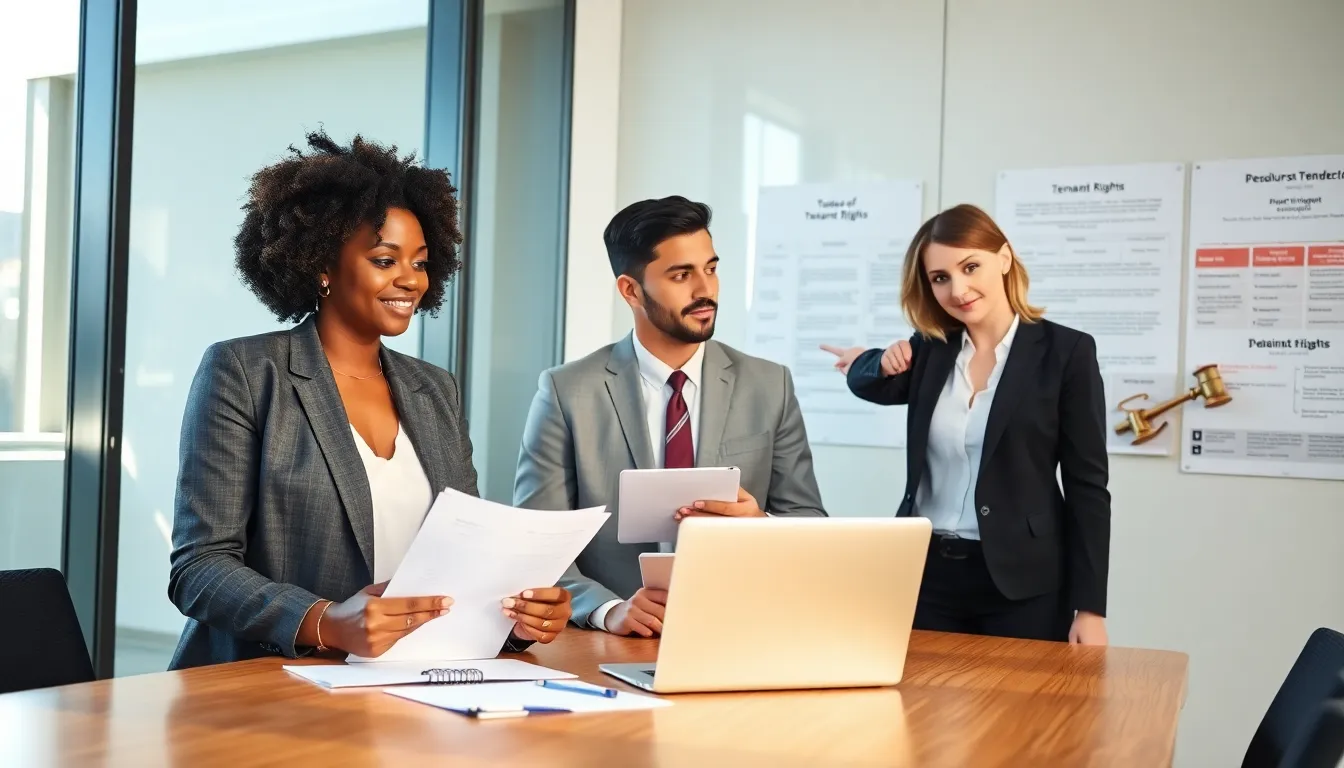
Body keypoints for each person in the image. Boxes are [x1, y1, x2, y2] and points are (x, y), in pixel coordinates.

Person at [167, 131, 572, 669]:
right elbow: (199, 567)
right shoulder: (244, 371)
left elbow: (462, 556)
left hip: (418, 678)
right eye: (385, 260)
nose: (411, 280)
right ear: (322, 266)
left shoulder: (435, 390)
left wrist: (518, 617)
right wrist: (324, 621)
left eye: (422, 263)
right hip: (276, 683)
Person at [514, 195, 827, 638]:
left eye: (711, 268)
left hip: (744, 632)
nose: (706, 290)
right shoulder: (567, 391)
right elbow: (537, 540)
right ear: (631, 290)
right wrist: (609, 610)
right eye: (682, 275)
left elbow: (811, 524)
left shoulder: (769, 385)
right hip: (613, 646)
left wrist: (761, 525)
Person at [823, 203, 1110, 645]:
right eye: (940, 278)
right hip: (927, 574)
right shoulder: (932, 350)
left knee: (1021, 714)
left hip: (1023, 582)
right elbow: (872, 385)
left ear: (1005, 259)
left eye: (970, 266)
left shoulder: (1066, 352)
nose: (958, 289)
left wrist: (1090, 609)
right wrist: (873, 362)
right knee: (922, 709)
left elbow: (1088, 487)